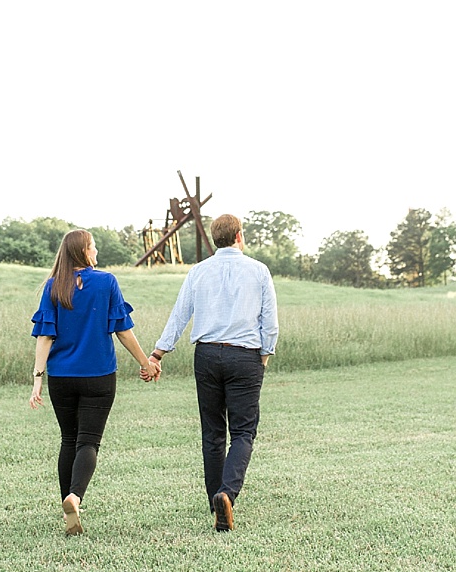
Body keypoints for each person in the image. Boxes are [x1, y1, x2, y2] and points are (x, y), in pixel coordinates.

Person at [147, 212, 278, 532]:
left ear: (215, 238)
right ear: (239, 236)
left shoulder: (198, 272)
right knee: (244, 431)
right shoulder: (259, 271)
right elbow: (269, 324)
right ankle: (227, 494)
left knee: (213, 431)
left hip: (206, 355)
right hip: (244, 357)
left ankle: (214, 501)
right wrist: (264, 357)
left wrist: (158, 352)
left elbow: (180, 315)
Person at [27, 229, 159, 536]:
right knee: (88, 442)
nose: (96, 252)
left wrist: (37, 380)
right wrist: (146, 363)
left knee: (68, 439)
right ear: (84, 251)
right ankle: (75, 497)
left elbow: (45, 335)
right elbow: (123, 331)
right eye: (94, 247)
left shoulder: (53, 286)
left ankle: (67, 505)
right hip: (98, 376)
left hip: (61, 377)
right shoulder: (106, 281)